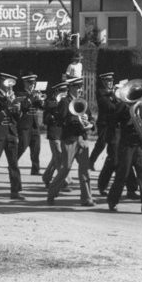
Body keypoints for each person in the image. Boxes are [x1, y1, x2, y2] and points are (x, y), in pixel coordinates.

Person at [106, 78, 142, 215]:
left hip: (140, 144)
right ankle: (112, 201)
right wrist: (129, 119)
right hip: (127, 145)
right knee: (122, 175)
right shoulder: (123, 106)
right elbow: (113, 120)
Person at [45, 76, 96, 207]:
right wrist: (77, 120)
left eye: (81, 87)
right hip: (69, 139)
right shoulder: (64, 102)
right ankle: (51, 193)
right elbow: (60, 120)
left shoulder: (82, 101)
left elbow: (90, 117)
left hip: (82, 138)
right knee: (65, 168)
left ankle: (87, 198)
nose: (80, 89)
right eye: (78, 87)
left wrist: (90, 123)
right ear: (71, 87)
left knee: (84, 170)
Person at [40, 81, 68, 186]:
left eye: (65, 91)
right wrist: (55, 110)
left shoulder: (65, 102)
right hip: (53, 133)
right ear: (57, 91)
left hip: (62, 132)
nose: (64, 93)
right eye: (62, 91)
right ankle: (64, 181)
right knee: (59, 156)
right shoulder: (50, 102)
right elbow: (45, 120)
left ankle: (46, 177)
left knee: (57, 157)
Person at [16, 73, 45, 176]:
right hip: (24, 124)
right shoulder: (20, 94)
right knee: (22, 146)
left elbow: (41, 107)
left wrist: (41, 101)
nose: (32, 85)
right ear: (25, 83)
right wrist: (32, 98)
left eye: (33, 83)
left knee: (36, 147)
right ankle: (13, 163)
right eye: (30, 83)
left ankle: (35, 169)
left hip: (34, 124)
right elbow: (24, 106)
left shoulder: (34, 94)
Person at [88, 72, 116, 171]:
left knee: (113, 144)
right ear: (103, 81)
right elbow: (108, 106)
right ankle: (91, 161)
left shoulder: (112, 92)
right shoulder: (101, 92)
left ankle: (113, 165)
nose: (110, 82)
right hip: (104, 122)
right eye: (108, 80)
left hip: (113, 122)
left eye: (111, 80)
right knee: (101, 143)